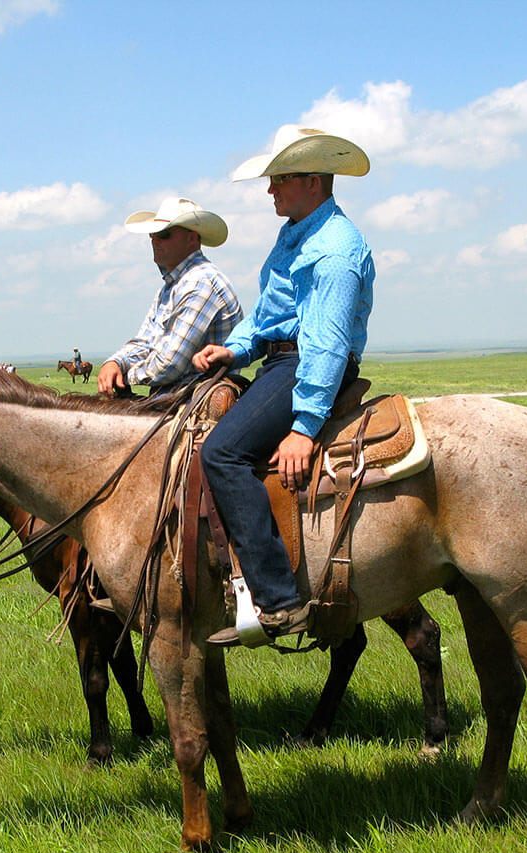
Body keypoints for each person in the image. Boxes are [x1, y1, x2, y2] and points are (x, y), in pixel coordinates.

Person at [192, 125, 375, 646]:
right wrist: (236, 348)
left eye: (279, 180)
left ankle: (278, 600)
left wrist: (304, 426)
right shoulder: (297, 232)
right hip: (282, 361)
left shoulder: (334, 248)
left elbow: (327, 342)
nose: (270, 190)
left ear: (313, 181)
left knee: (223, 453)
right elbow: (272, 314)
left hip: (306, 368)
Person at [97, 198, 242, 397]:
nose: (154, 241)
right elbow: (144, 342)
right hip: (175, 396)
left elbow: (170, 364)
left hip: (197, 397)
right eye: (152, 234)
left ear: (192, 239)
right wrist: (115, 362)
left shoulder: (200, 281)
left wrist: (124, 375)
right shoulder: (172, 287)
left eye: (164, 235)